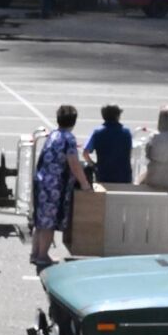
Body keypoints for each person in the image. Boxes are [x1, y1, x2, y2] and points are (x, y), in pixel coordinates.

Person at [31, 105, 90, 268]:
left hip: (41, 180)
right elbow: (74, 163)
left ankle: (35, 253)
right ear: (74, 121)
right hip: (54, 185)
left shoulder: (53, 135)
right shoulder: (69, 138)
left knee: (40, 220)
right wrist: (85, 184)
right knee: (49, 222)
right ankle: (43, 256)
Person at [86, 104, 133, 186]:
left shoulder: (97, 133)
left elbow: (85, 152)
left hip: (103, 175)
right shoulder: (126, 132)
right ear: (117, 116)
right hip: (123, 176)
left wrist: (93, 165)